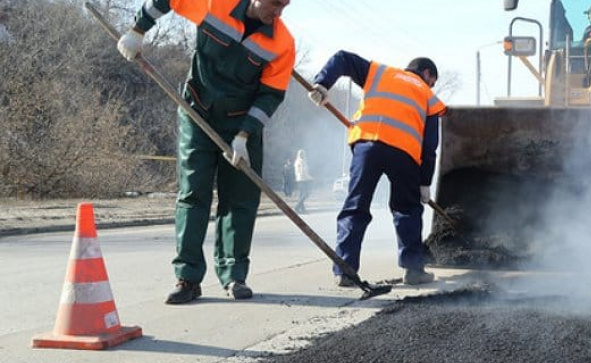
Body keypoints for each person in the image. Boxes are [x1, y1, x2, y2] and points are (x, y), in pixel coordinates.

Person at [116, 0, 295, 304]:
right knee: (193, 193)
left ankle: (234, 276)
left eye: (285, 5)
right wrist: (138, 30)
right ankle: (188, 278)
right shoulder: (216, 4)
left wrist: (243, 135)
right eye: (275, 3)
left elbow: (271, 95)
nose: (278, 12)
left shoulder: (282, 42)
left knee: (240, 200)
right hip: (197, 111)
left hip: (242, 124)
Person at [307, 51, 447, 287]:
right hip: (405, 154)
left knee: (355, 207)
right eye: (432, 81)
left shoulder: (380, 72)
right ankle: (413, 270)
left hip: (367, 146)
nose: (431, 85)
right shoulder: (428, 96)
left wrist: (322, 83)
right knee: (407, 210)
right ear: (426, 74)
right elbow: (430, 146)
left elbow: (342, 58)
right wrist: (425, 183)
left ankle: (345, 270)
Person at [293, 149, 313, 213]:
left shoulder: (298, 161)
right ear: (299, 154)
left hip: (300, 179)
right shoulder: (301, 162)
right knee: (305, 194)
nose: (302, 155)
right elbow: (302, 172)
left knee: (301, 195)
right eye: (301, 154)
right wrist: (310, 178)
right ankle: (297, 207)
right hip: (303, 180)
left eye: (303, 154)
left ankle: (302, 209)